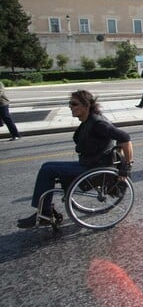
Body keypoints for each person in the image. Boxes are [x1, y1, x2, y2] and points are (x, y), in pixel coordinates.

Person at [17, 90, 134, 229]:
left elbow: (125, 139)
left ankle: (45, 213)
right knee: (46, 165)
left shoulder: (98, 124)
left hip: (93, 167)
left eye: (74, 104)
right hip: (88, 163)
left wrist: (126, 166)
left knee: (48, 170)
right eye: (70, 104)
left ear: (86, 106)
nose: (70, 107)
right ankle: (44, 211)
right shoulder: (88, 121)